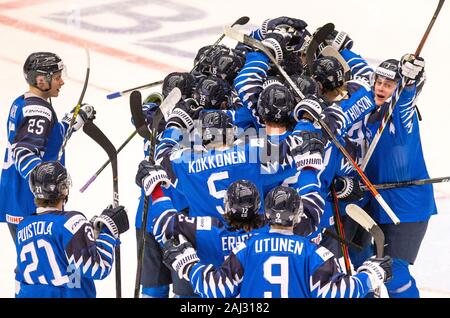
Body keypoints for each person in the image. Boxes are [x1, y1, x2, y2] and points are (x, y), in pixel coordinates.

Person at [162, 185, 392, 298]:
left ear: (267, 213)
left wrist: (187, 264)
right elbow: (337, 293)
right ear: (298, 216)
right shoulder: (315, 253)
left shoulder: (247, 248)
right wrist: (371, 275)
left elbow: (216, 288)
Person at [0, 52, 95, 243]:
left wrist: (71, 121)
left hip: (17, 196)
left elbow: (45, 138)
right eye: (58, 78)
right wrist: (46, 185)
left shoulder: (23, 102)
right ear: (41, 80)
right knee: (41, 264)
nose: (62, 82)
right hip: (32, 203)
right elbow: (24, 151)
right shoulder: (39, 112)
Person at [362, 55, 435, 298]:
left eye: (389, 84)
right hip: (375, 204)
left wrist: (409, 83)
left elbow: (404, 102)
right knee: (362, 265)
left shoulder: (403, 118)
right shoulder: (371, 114)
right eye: (379, 82)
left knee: (393, 271)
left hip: (407, 208)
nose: (381, 88)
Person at [15, 161, 129, 298]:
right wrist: (108, 232)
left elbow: (63, 265)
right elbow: (98, 268)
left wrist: (89, 239)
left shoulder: (23, 226)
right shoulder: (71, 222)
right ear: (64, 188)